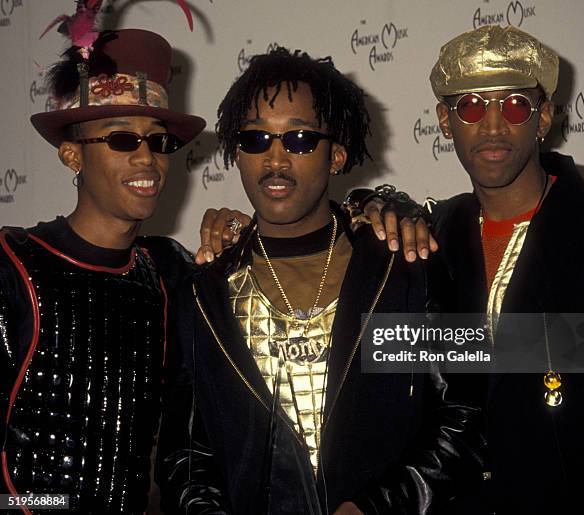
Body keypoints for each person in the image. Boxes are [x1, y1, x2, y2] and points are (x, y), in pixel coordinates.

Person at [156, 46, 484, 515]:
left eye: (300, 139)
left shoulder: (406, 265)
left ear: (337, 156)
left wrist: (376, 508)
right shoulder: (203, 294)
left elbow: (466, 415)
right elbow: (187, 459)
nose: (275, 159)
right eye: (254, 140)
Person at [352, 25, 584, 514]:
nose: (493, 127)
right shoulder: (430, 237)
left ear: (544, 118)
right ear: (445, 121)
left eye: (515, 105)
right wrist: (367, 203)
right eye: (471, 105)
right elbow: (388, 363)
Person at [0, 27, 205, 512]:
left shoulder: (169, 273)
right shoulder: (13, 266)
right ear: (73, 153)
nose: (146, 158)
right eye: (121, 139)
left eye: (159, 142)